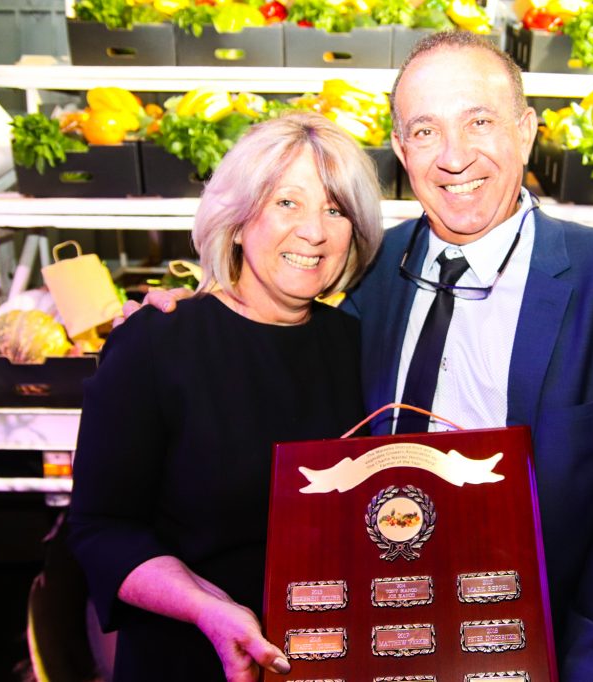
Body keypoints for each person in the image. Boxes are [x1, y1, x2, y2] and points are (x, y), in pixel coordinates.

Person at [133, 32, 593, 680]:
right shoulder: (363, 267)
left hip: (542, 650)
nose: (455, 157)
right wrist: (193, 307)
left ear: (526, 130)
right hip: (368, 639)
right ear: (401, 150)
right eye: (426, 132)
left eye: (479, 122)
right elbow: (268, 315)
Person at [66, 111, 384, 682]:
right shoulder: (156, 342)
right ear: (237, 222)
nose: (314, 230)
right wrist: (207, 610)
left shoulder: (357, 346)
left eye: (335, 210)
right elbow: (101, 528)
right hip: (190, 656)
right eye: (287, 202)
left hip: (330, 659)